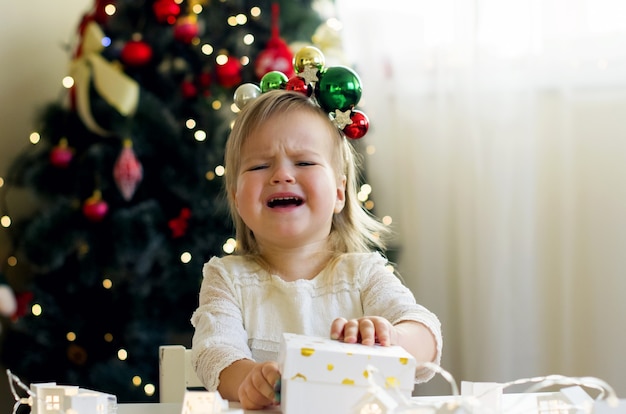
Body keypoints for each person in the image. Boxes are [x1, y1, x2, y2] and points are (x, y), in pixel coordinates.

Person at [190, 88, 443, 410]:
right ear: (237, 198)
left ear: (339, 193)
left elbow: (425, 333)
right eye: (258, 167)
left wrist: (394, 337)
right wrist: (250, 379)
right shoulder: (226, 278)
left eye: (304, 162)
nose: (281, 175)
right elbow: (214, 352)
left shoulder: (363, 274)